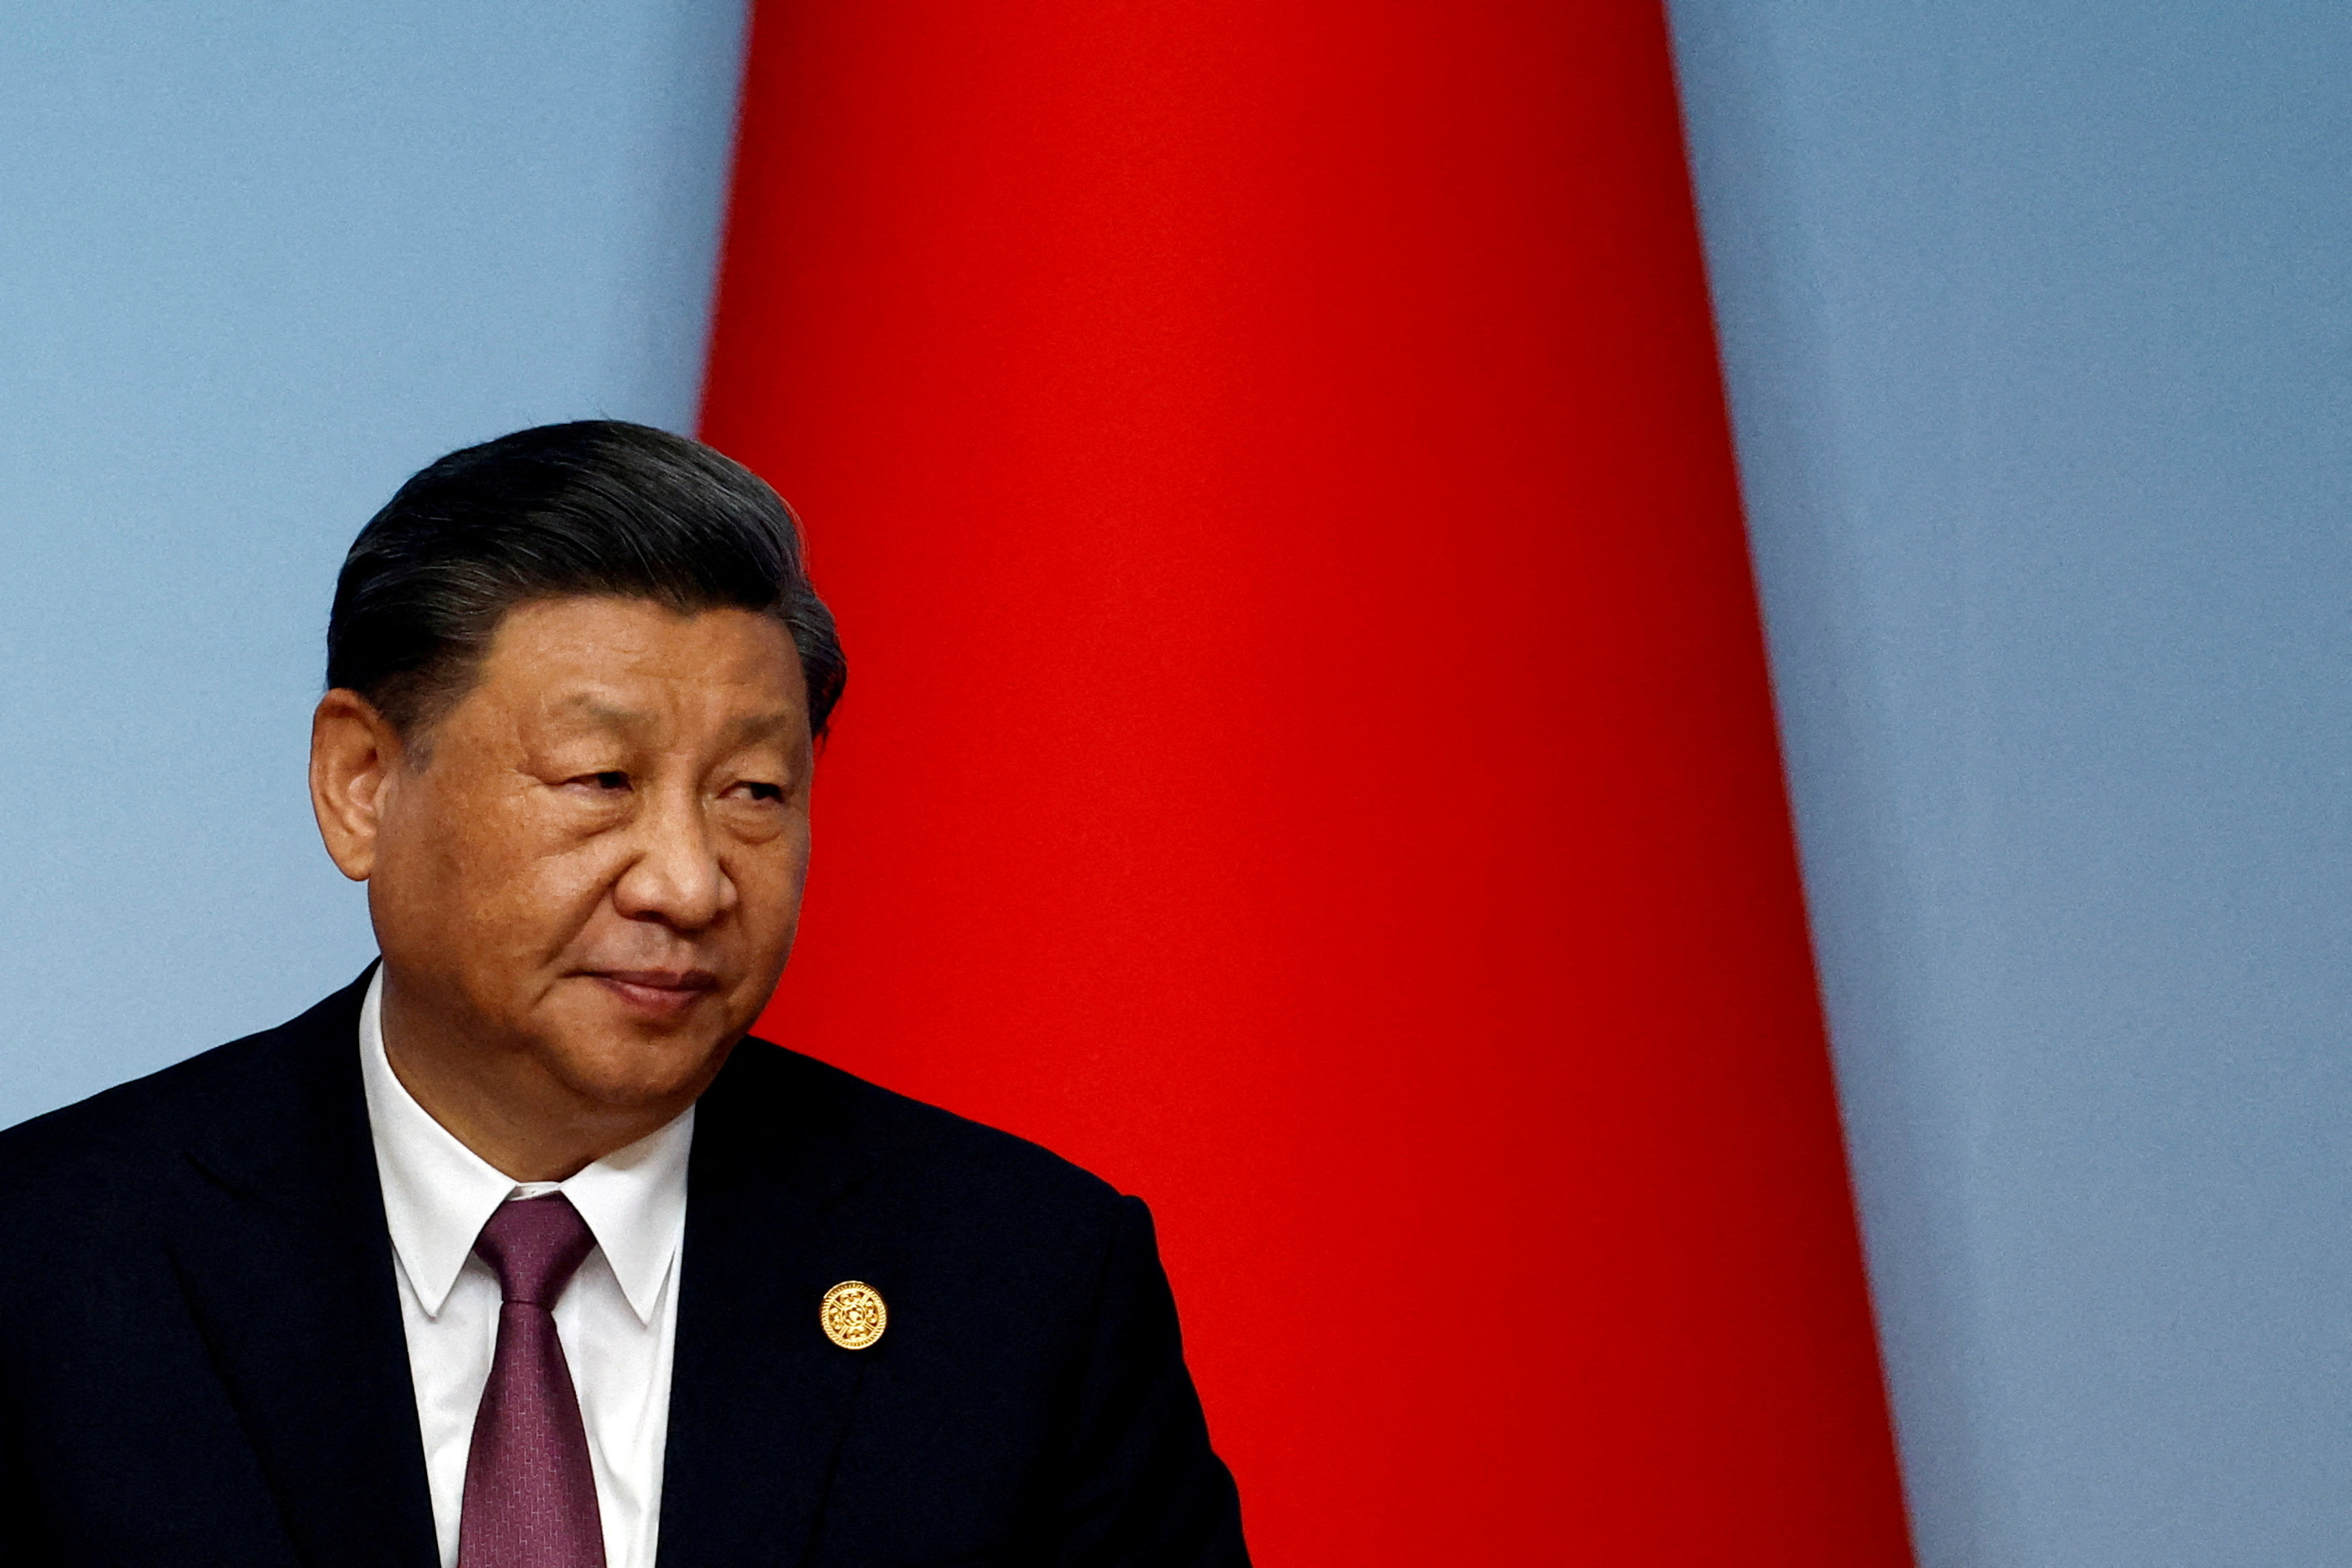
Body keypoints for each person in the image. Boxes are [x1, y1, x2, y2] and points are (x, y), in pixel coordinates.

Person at [0, 421, 1247, 1567]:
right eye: (601, 779)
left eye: (752, 792)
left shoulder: (1018, 1286)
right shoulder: (49, 1264)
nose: (689, 882)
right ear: (364, 783)